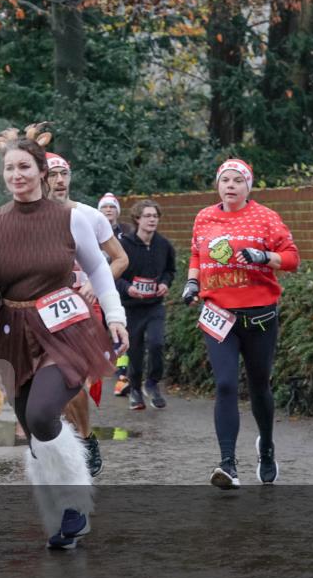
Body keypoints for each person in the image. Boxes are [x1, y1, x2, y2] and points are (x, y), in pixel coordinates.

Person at [0, 130, 128, 549]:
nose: (17, 175)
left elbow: (98, 271)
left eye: (25, 166)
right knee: (33, 426)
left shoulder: (71, 217)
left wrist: (115, 317)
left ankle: (77, 502)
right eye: (10, 168)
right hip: (12, 333)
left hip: (65, 329)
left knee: (42, 414)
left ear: (42, 172)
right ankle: (61, 513)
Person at [182, 159, 299, 488]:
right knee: (225, 385)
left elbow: (292, 259)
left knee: (259, 385)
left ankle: (267, 446)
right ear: (217, 185)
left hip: (259, 315)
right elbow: (196, 254)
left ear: (249, 186)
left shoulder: (266, 217)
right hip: (218, 315)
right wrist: (192, 283)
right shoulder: (204, 217)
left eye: (237, 180)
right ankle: (228, 464)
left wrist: (264, 257)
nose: (230, 185)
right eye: (225, 180)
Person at [45, 152, 129, 477]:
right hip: (40, 313)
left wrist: (98, 281)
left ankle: (85, 437)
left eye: (65, 173)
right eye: (53, 173)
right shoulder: (26, 218)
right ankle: (63, 443)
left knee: (72, 379)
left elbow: (120, 258)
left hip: (80, 312)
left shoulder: (89, 215)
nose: (60, 180)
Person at [116, 199, 175, 410]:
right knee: (136, 350)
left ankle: (152, 383)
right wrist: (127, 288)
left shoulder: (164, 245)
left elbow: (170, 270)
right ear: (137, 219)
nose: (152, 220)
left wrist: (165, 284)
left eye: (155, 216)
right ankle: (134, 388)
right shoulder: (124, 245)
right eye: (148, 216)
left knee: (157, 342)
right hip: (131, 307)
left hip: (154, 305)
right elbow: (114, 275)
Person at [98, 192, 133, 396]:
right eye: (105, 207)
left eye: (112, 207)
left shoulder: (127, 232)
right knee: (100, 330)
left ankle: (122, 376)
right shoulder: (91, 229)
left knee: (120, 329)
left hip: (120, 287)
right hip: (97, 288)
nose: (109, 210)